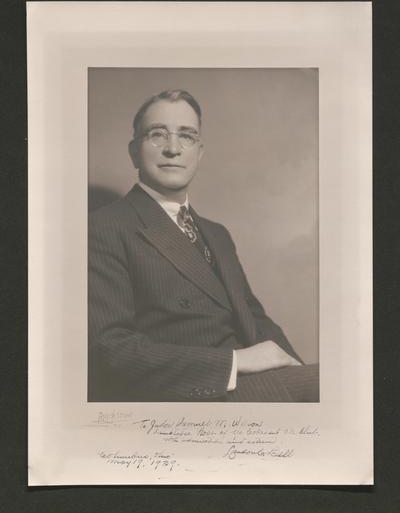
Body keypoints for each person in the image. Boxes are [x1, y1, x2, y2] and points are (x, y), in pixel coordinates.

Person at [88, 89, 319, 402]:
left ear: (199, 152)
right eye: (157, 134)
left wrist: (296, 369)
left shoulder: (217, 234)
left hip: (258, 387)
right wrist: (237, 362)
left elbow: (256, 320)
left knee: (340, 387)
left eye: (186, 136)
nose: (173, 148)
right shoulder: (104, 226)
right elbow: (112, 350)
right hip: (193, 397)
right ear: (133, 151)